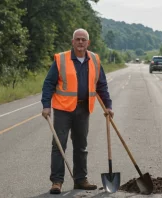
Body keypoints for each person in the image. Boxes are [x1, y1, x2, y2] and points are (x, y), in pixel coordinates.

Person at [41, 28, 114, 194]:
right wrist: (46, 105)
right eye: (78, 39)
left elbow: (101, 85)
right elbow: (49, 84)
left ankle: (81, 180)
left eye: (83, 40)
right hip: (62, 109)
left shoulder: (94, 59)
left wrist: (108, 106)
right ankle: (57, 181)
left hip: (83, 108)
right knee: (59, 145)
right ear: (72, 42)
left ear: (88, 43)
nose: (80, 42)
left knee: (81, 146)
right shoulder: (61, 59)